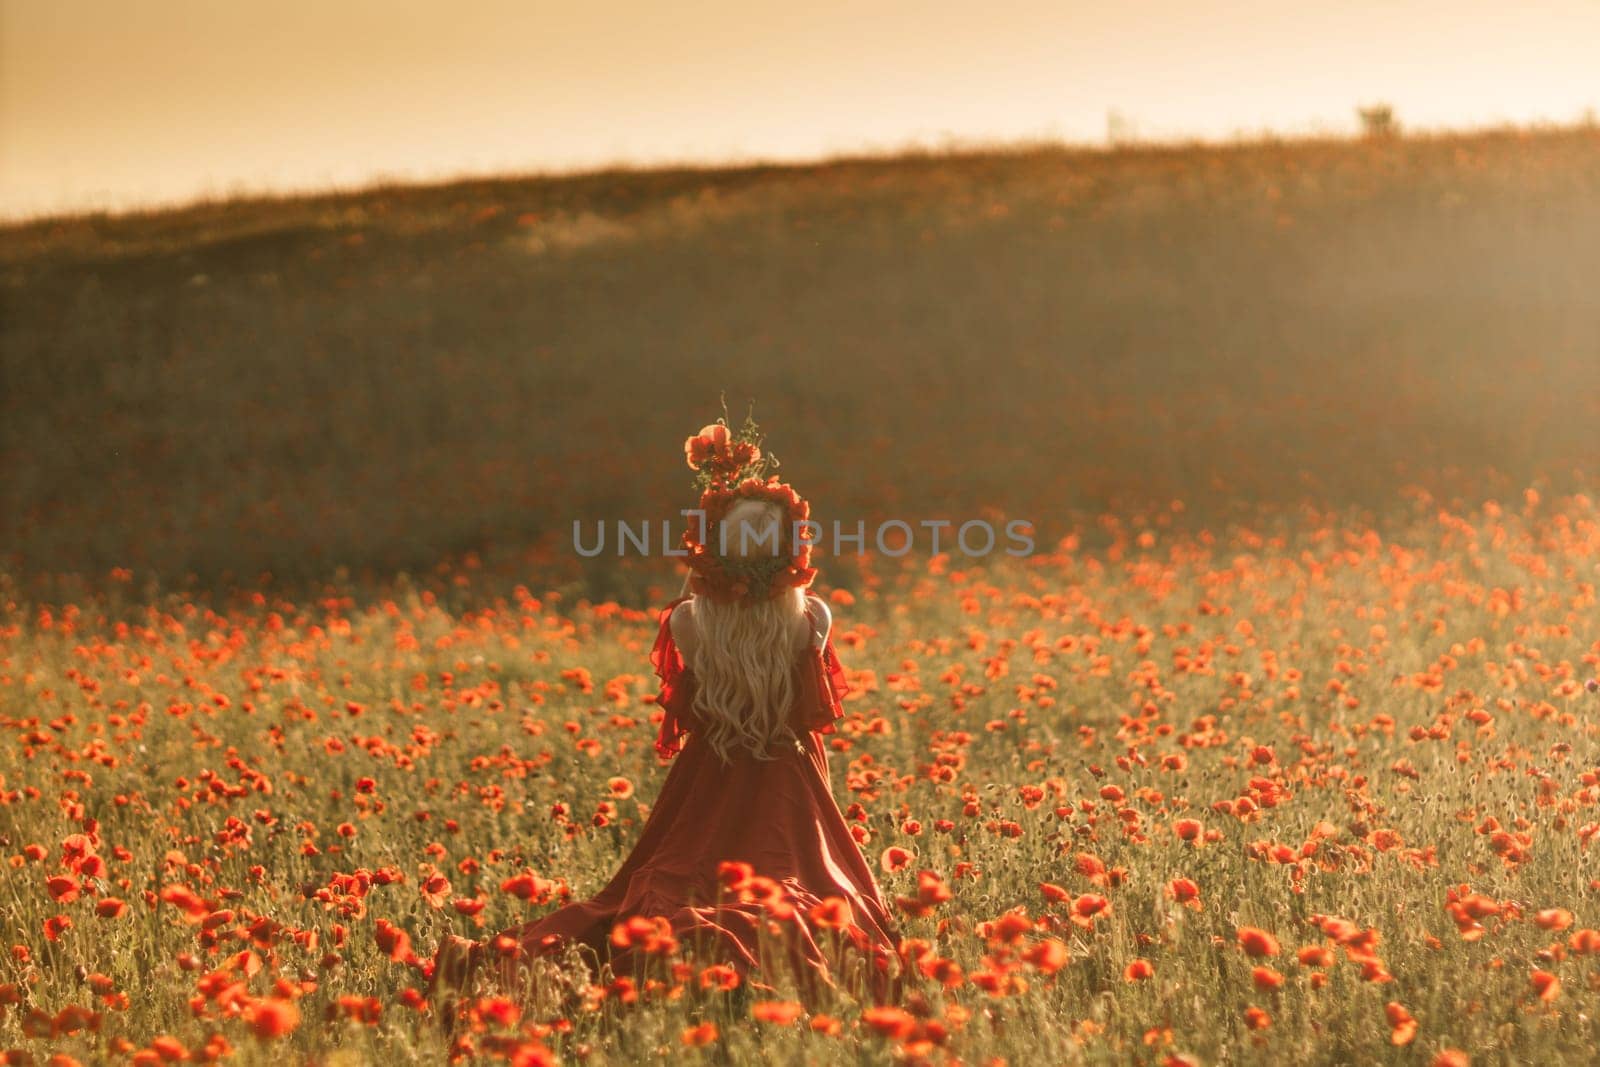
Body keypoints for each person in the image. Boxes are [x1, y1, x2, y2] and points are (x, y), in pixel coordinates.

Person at [427, 417, 902, 1024]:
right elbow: (818, 707)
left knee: (685, 871)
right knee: (805, 874)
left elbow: (692, 649)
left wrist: (703, 550)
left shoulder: (687, 622)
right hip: (790, 778)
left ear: (709, 549)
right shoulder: (813, 618)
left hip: (710, 773)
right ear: (792, 550)